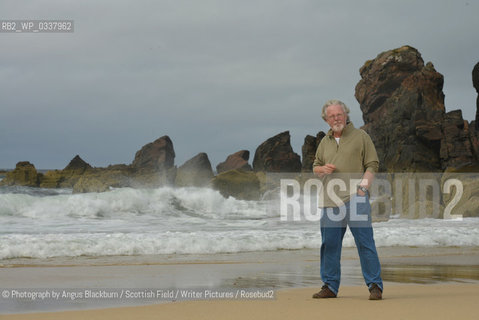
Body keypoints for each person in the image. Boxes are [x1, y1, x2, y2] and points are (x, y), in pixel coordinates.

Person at [312, 99, 383, 300]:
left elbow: (372, 164)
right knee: (329, 244)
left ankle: (375, 285)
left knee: (365, 242)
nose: (336, 118)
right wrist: (321, 169)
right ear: (326, 120)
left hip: (355, 198)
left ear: (346, 115)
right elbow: (315, 165)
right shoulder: (324, 142)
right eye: (332, 116)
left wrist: (363, 188)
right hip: (329, 201)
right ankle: (329, 286)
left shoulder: (361, 136)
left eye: (339, 114)